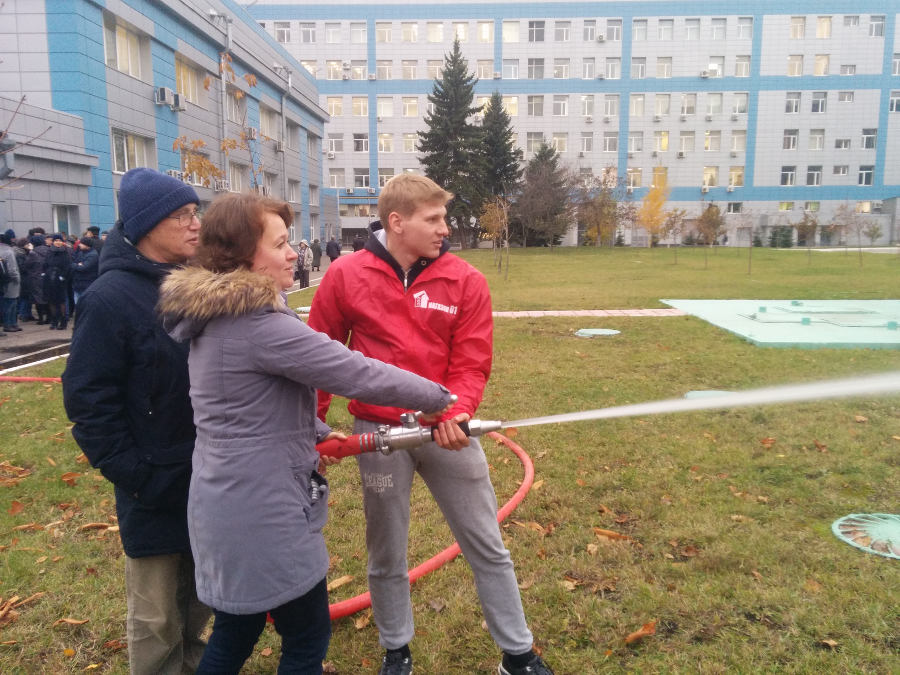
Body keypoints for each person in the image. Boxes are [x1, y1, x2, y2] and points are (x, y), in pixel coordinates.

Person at [156, 191, 454, 674]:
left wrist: (314, 429)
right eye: (279, 245)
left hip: (229, 499)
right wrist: (440, 396)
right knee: (305, 635)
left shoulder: (220, 318)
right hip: (262, 508)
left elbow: (248, 402)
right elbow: (355, 371)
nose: (294, 253)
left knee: (237, 629)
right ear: (243, 257)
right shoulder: (258, 325)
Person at [308, 174, 553, 675]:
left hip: (448, 433)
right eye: (434, 219)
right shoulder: (345, 275)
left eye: (445, 218)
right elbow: (320, 358)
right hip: (379, 438)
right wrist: (310, 431)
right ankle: (396, 650)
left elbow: (471, 360)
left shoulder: (465, 280)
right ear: (397, 222)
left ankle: (518, 654)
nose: (446, 228)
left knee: (486, 542)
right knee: (386, 550)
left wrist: (457, 413)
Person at [62, 167, 211, 674]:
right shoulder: (109, 300)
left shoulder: (193, 286)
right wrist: (138, 476)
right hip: (152, 484)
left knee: (200, 597)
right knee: (155, 614)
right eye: (182, 215)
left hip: (205, 474)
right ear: (147, 225)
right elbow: (89, 402)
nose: (195, 224)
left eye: (195, 213)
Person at [42, 234, 71, 330]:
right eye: (56, 240)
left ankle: (63, 321)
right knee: (51, 300)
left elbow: (68, 266)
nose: (58, 242)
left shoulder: (65, 252)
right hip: (49, 278)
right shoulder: (49, 252)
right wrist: (44, 273)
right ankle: (54, 320)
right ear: (53, 242)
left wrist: (63, 276)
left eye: (59, 240)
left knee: (61, 300)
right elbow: (45, 264)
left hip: (60, 279)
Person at [24, 234, 50, 324]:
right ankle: (49, 318)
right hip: (47, 276)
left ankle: (41, 318)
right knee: (47, 297)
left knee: (38, 298)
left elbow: (27, 265)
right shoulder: (49, 250)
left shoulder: (33, 253)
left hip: (35, 277)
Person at [0, 228, 21, 333]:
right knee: (11, 303)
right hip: (11, 282)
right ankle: (10, 324)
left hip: (2, 281)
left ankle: (10, 324)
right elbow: (12, 269)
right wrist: (17, 279)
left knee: (6, 303)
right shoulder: (9, 252)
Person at [71, 236, 100, 309]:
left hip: (86, 284)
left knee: (85, 306)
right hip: (78, 284)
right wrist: (77, 264)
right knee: (78, 305)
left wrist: (76, 265)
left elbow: (83, 268)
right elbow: (75, 262)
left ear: (87, 245)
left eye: (81, 243)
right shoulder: (81, 253)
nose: (79, 245)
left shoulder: (93, 255)